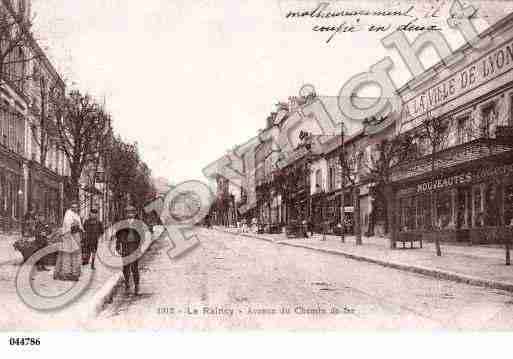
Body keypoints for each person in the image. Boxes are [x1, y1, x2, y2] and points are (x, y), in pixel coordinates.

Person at [115, 205, 142, 295]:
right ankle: (127, 284)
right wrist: (118, 246)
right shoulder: (122, 223)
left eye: (131, 212)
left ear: (134, 213)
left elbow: (142, 236)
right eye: (128, 212)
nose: (130, 214)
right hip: (125, 246)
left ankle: (137, 286)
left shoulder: (138, 223)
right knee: (126, 267)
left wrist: (140, 248)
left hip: (134, 246)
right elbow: (118, 236)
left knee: (134, 267)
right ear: (125, 214)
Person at [54, 202, 84, 281]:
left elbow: (79, 226)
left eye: (76, 207)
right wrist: (74, 226)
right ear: (70, 207)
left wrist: (79, 230)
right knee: (66, 256)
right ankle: (65, 273)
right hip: (68, 236)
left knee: (74, 255)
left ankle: (73, 273)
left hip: (75, 236)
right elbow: (68, 226)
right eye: (73, 207)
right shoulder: (68, 214)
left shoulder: (76, 215)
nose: (75, 208)